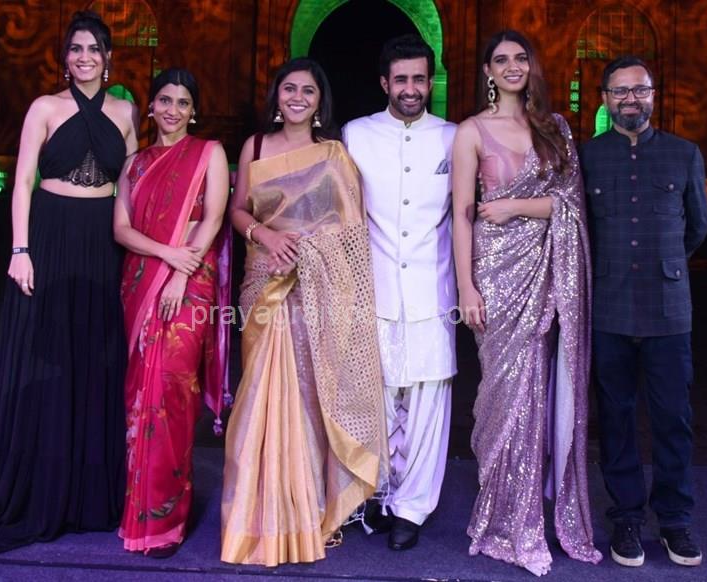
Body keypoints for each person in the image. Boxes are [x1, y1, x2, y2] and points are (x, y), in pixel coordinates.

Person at [0, 11, 138, 553]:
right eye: (76, 48)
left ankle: (87, 495)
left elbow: (128, 187)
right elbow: (23, 182)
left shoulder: (126, 112)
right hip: (50, 236)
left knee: (94, 360)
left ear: (108, 57)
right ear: (65, 57)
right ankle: (39, 488)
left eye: (94, 49)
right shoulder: (44, 107)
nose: (84, 57)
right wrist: (20, 249)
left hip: (101, 241)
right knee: (45, 359)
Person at [220, 58, 387, 567]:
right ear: (277, 95)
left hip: (318, 292)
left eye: (307, 91)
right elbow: (237, 209)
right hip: (264, 286)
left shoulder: (334, 155)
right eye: (289, 88)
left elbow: (351, 231)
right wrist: (266, 235)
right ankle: (254, 517)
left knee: (309, 402)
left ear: (320, 101)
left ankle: (304, 513)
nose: (297, 97)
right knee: (258, 399)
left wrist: (310, 253)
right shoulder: (255, 146)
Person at [451, 30, 602, 575]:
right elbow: (462, 215)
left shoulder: (554, 127)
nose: (512, 66)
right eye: (501, 60)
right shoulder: (471, 131)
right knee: (503, 392)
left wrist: (518, 206)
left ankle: (528, 519)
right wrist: (466, 288)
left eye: (520, 58)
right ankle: (500, 516)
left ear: (531, 66)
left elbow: (572, 205)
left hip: (545, 274)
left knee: (536, 392)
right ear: (488, 72)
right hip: (494, 278)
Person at [580, 56, 707, 568]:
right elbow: (581, 231)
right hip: (609, 307)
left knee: (673, 418)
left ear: (653, 95)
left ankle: (675, 521)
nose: (630, 99)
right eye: (620, 91)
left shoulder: (684, 154)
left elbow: (697, 226)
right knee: (615, 417)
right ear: (605, 99)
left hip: (668, 310)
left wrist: (665, 263)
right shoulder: (588, 157)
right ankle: (627, 518)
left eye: (639, 90)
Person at [342, 34, 456, 551]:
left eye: (419, 79)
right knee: (379, 398)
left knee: (430, 400)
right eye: (401, 80)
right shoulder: (356, 134)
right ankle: (379, 492)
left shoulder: (453, 137)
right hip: (375, 289)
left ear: (430, 83)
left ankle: (412, 508)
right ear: (385, 83)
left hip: (434, 291)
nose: (411, 89)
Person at [113, 68, 231, 558]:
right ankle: (137, 510)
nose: (173, 110)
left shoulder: (209, 153)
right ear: (151, 106)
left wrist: (182, 272)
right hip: (142, 281)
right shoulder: (135, 164)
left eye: (183, 102)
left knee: (171, 393)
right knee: (140, 395)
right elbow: (121, 229)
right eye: (165, 100)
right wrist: (167, 256)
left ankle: (166, 520)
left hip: (189, 284)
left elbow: (214, 217)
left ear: (194, 110)